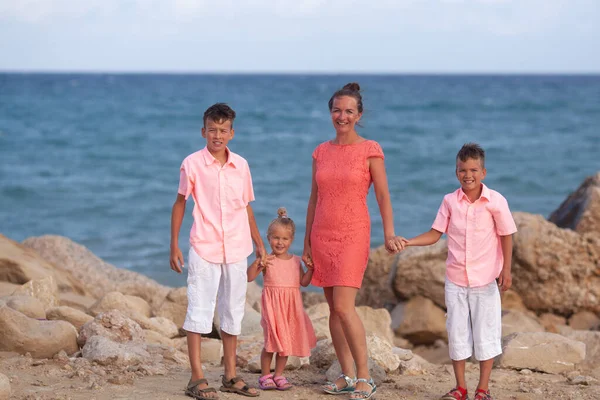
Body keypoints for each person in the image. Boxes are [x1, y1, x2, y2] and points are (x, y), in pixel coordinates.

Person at [302, 82, 404, 400]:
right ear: (330, 113)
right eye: (336, 110)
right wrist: (306, 242)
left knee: (346, 308)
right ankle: (346, 375)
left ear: (359, 115)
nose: (342, 116)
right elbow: (313, 199)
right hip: (322, 234)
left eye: (348, 111)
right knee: (333, 310)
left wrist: (389, 233)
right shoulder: (321, 152)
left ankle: (365, 376)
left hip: (353, 235)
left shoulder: (370, 149)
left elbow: (384, 195)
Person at [397, 143, 517, 400]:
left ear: (483, 172)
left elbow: (507, 235)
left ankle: (482, 390)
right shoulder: (450, 201)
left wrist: (506, 269)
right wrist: (408, 242)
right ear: (456, 173)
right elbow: (434, 234)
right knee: (457, 333)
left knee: (487, 334)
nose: (468, 174)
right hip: (455, 281)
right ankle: (460, 387)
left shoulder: (496, 201)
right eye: (462, 170)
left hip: (486, 280)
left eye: (474, 169)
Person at [170, 103, 266, 400]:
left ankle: (230, 375)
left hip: (238, 248)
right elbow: (180, 203)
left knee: (232, 311)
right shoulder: (192, 164)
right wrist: (173, 243)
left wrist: (260, 244)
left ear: (232, 133)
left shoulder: (242, 166)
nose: (217, 135)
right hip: (204, 246)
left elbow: (246, 207)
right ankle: (196, 378)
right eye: (212, 130)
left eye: (223, 130)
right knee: (199, 309)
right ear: (203, 131)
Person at [247, 207, 317, 392]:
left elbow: (303, 282)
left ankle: (278, 375)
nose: (280, 242)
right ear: (269, 238)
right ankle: (264, 376)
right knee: (271, 342)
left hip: (290, 308)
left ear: (291, 240)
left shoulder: (295, 261)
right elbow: (249, 277)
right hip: (272, 308)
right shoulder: (267, 260)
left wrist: (310, 270)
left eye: (284, 239)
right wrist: (257, 262)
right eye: (276, 238)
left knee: (284, 344)